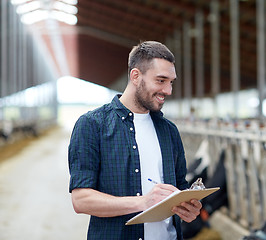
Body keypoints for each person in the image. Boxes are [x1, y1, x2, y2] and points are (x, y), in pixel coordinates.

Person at [68, 41, 202, 240]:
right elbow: (81, 200)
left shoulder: (169, 131)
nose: (168, 90)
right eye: (161, 80)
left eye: (171, 82)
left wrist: (189, 208)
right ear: (136, 76)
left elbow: (180, 187)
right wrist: (143, 202)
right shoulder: (92, 125)